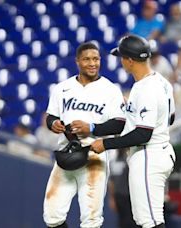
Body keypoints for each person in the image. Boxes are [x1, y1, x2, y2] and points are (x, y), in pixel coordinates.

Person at [90, 35, 176, 228]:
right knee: (148, 220)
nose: (120, 61)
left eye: (121, 57)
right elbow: (170, 118)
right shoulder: (162, 82)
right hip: (160, 151)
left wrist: (106, 144)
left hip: (148, 155)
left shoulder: (144, 89)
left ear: (130, 60)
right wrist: (93, 129)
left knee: (150, 222)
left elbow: (142, 134)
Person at [43, 42, 126, 228]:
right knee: (52, 215)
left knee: (91, 219)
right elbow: (52, 115)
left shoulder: (110, 89)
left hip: (94, 153)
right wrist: (53, 123)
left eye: (96, 59)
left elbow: (120, 123)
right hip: (67, 150)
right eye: (87, 59)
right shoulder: (62, 87)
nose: (92, 63)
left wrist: (92, 128)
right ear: (77, 61)